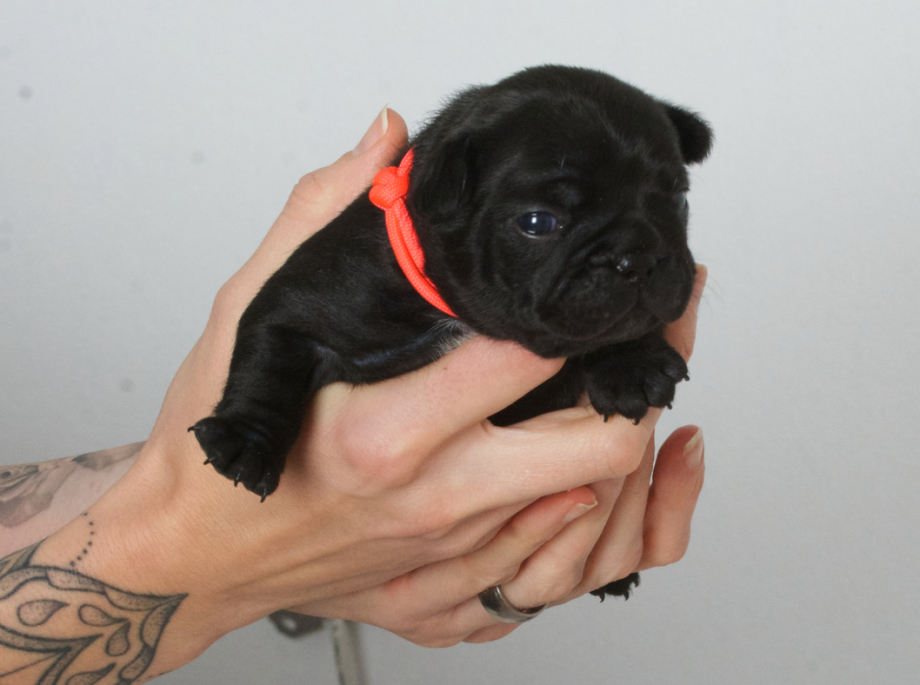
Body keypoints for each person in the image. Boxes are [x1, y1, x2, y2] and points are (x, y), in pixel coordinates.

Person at [0, 108, 706, 682]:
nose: (635, 255)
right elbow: (286, 329)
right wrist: (245, 451)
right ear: (441, 193)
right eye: (540, 222)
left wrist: (624, 349)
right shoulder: (367, 262)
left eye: (669, 200)